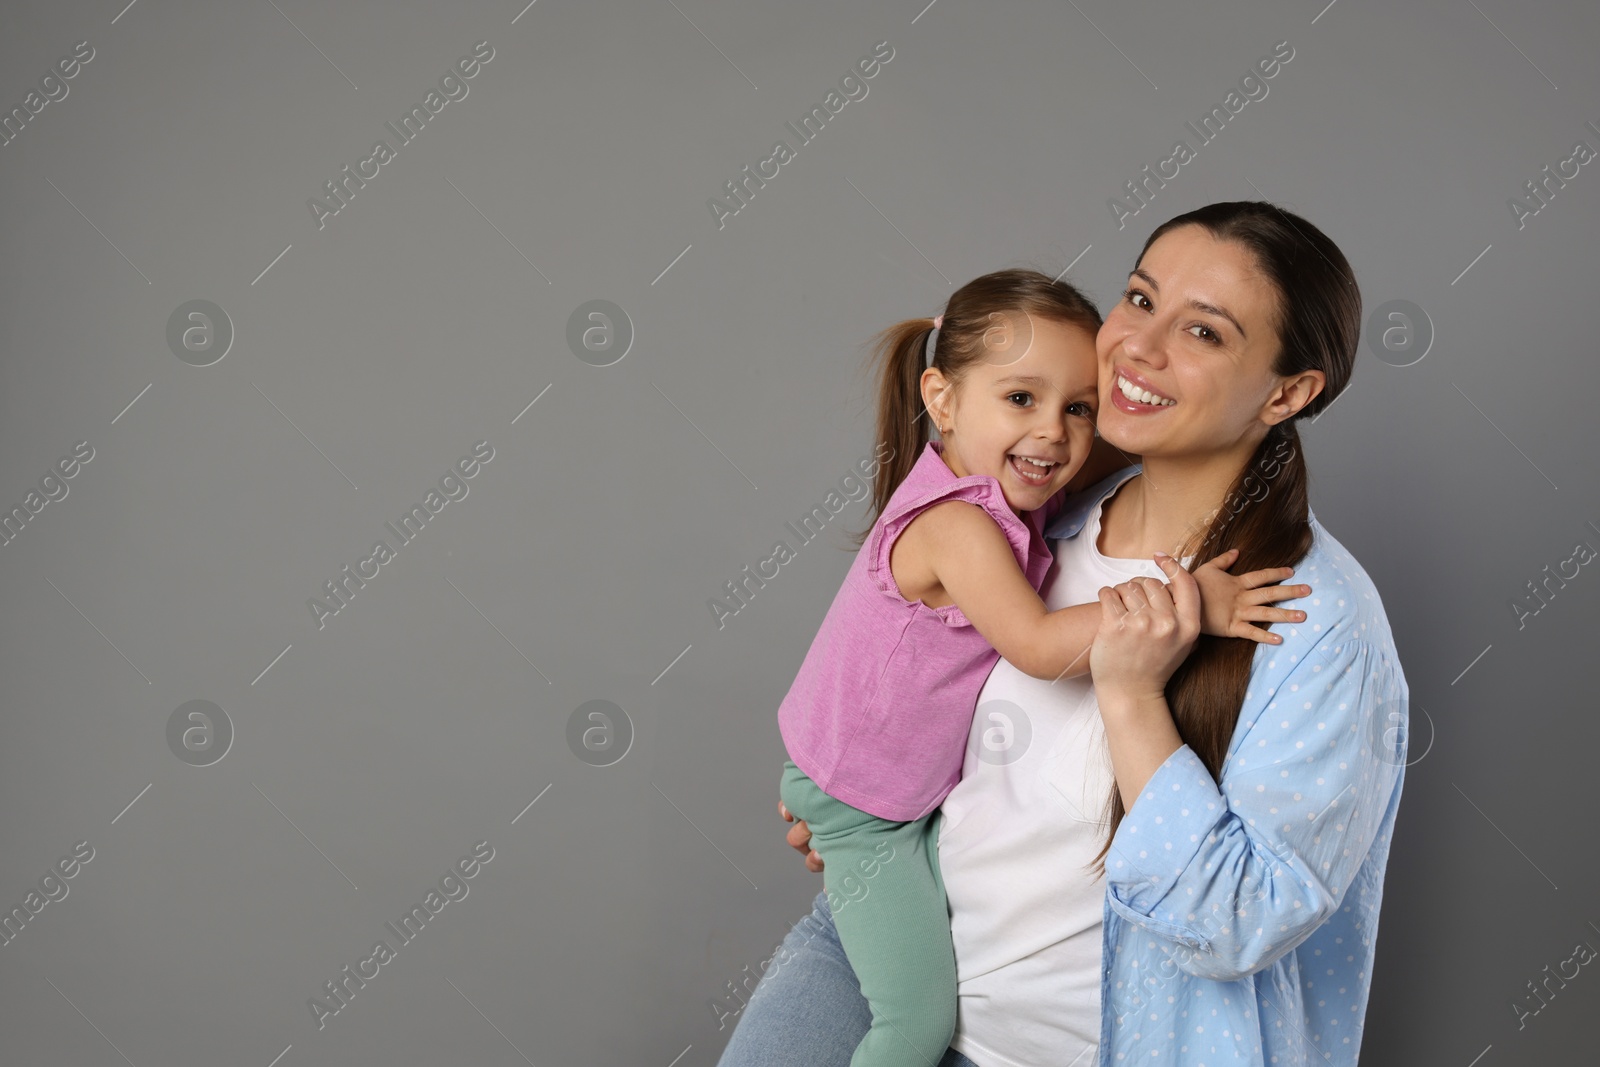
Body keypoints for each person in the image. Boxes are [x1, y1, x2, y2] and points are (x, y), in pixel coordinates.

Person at [717, 202, 1409, 1067]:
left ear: (1288, 391)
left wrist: (1130, 697)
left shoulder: (1310, 617)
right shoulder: (1047, 510)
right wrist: (862, 808)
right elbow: (919, 682)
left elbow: (1240, 920)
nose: (1142, 348)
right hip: (885, 968)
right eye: (1140, 298)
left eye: (1203, 331)